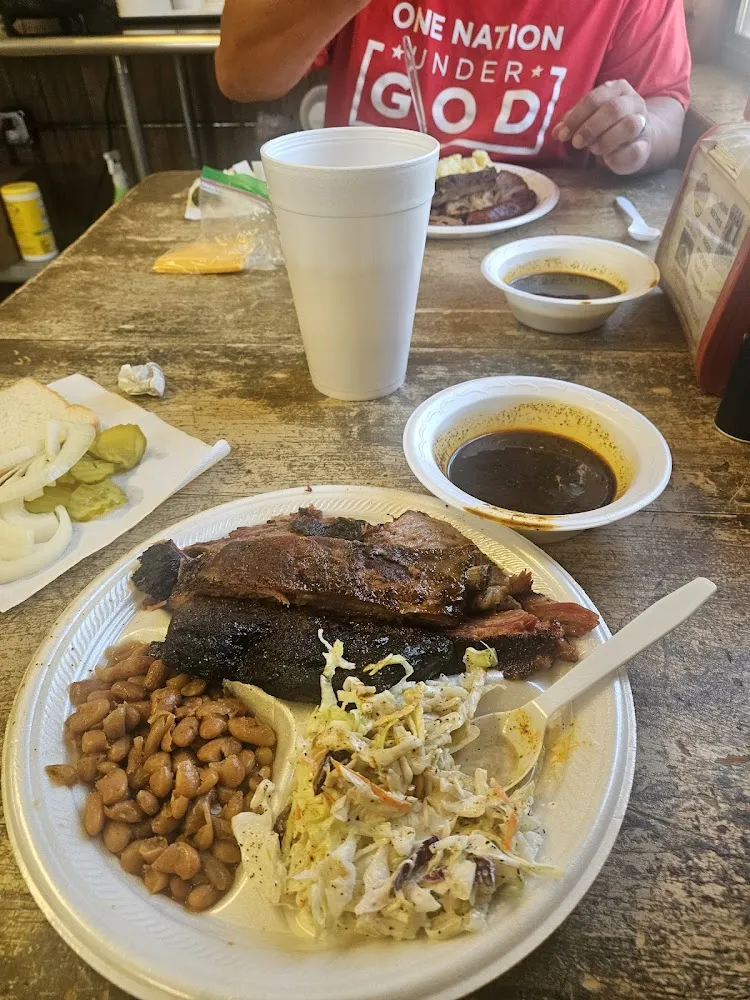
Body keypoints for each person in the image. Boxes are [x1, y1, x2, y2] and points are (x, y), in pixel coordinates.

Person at [216, 1, 690, 176]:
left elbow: (665, 102)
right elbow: (241, 76)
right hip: (361, 218)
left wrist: (639, 133)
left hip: (547, 240)